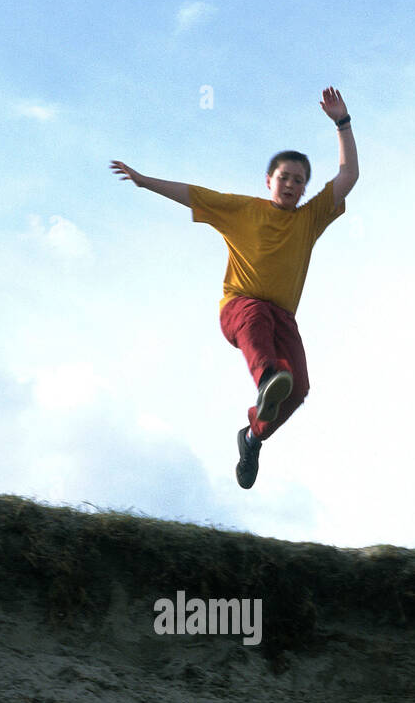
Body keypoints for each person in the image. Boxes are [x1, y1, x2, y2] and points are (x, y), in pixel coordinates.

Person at [111, 87, 359, 488]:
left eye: (299, 181)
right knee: (262, 332)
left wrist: (342, 123)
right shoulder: (242, 209)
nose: (292, 185)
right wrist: (144, 182)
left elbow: (349, 176)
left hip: (283, 319)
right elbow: (192, 193)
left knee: (298, 390)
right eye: (284, 178)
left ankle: (252, 438)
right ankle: (266, 378)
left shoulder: (310, 218)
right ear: (268, 181)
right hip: (241, 309)